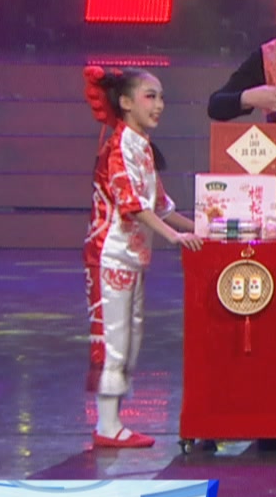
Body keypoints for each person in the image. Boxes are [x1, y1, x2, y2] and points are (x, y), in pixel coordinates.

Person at [82, 66, 201, 449]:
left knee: (130, 340)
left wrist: (202, 228)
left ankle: (113, 423)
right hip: (111, 255)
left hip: (132, 257)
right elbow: (132, 206)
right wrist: (175, 237)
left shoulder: (141, 147)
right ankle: (107, 426)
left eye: (161, 97)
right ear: (126, 102)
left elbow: (160, 205)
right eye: (150, 96)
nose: (159, 104)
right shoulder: (118, 148)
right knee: (115, 340)